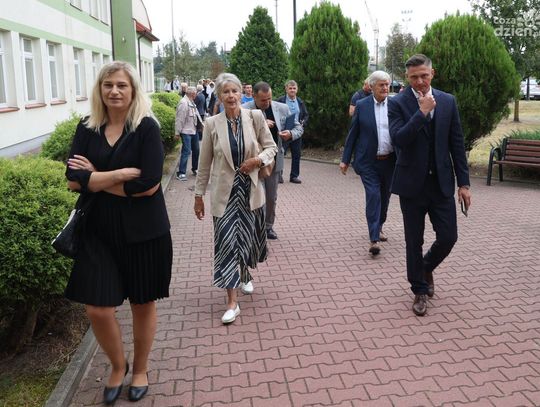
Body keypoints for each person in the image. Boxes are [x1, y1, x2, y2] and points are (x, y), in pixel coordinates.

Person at [64, 61, 172, 404]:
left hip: (144, 231)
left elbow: (148, 185)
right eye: (108, 84)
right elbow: (72, 180)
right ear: (99, 89)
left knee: (142, 303)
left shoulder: (146, 128)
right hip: (98, 231)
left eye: (121, 85)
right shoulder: (87, 128)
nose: (114, 91)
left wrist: (94, 177)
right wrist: (117, 174)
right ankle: (117, 364)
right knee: (97, 308)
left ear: (133, 90)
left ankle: (140, 369)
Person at [388, 54, 471, 316]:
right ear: (407, 77)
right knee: (414, 240)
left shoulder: (447, 101)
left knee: (448, 237)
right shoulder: (397, 103)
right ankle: (420, 290)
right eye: (414, 77)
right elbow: (399, 139)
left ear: (432, 74)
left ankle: (424, 267)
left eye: (424, 75)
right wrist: (421, 112)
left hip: (441, 184)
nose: (420, 81)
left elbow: (456, 143)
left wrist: (464, 183)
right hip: (411, 184)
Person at [194, 72, 277, 324]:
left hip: (249, 191)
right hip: (225, 195)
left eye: (235, 91)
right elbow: (204, 163)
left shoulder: (255, 117)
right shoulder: (212, 124)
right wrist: (198, 195)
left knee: (247, 240)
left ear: (242, 93)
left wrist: (257, 160)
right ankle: (232, 302)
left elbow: (271, 147)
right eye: (226, 92)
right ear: (219, 96)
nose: (231, 96)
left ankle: (244, 274)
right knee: (227, 243)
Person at [340, 70, 396, 256]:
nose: (385, 88)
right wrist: (345, 159)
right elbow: (353, 133)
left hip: (390, 161)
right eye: (381, 85)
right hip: (368, 162)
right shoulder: (362, 106)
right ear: (372, 87)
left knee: (385, 196)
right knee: (373, 195)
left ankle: (379, 226)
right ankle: (374, 238)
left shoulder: (395, 105)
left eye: (387, 84)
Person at [243, 82, 304, 240]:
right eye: (263, 100)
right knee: (255, 196)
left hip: (274, 160)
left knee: (271, 197)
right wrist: (261, 123)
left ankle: (268, 226)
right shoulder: (244, 109)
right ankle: (256, 228)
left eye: (269, 98)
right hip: (253, 161)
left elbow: (298, 128)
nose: (267, 103)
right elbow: (239, 132)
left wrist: (290, 133)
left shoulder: (282, 108)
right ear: (254, 96)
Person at [277, 79, 309, 184]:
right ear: (286, 89)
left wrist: (303, 122)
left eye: (294, 88)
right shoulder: (280, 100)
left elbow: (306, 115)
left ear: (297, 89)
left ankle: (294, 176)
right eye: (290, 88)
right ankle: (279, 175)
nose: (292, 90)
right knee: (280, 154)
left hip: (296, 133)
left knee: (296, 154)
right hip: (284, 132)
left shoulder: (300, 102)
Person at [175, 86, 201, 180]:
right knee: (186, 151)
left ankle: (195, 169)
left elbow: (197, 116)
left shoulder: (191, 101)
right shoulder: (183, 103)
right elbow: (179, 119)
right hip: (186, 131)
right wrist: (177, 132)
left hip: (193, 130)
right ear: (193, 94)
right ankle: (181, 173)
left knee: (196, 150)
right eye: (195, 93)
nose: (196, 95)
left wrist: (202, 126)